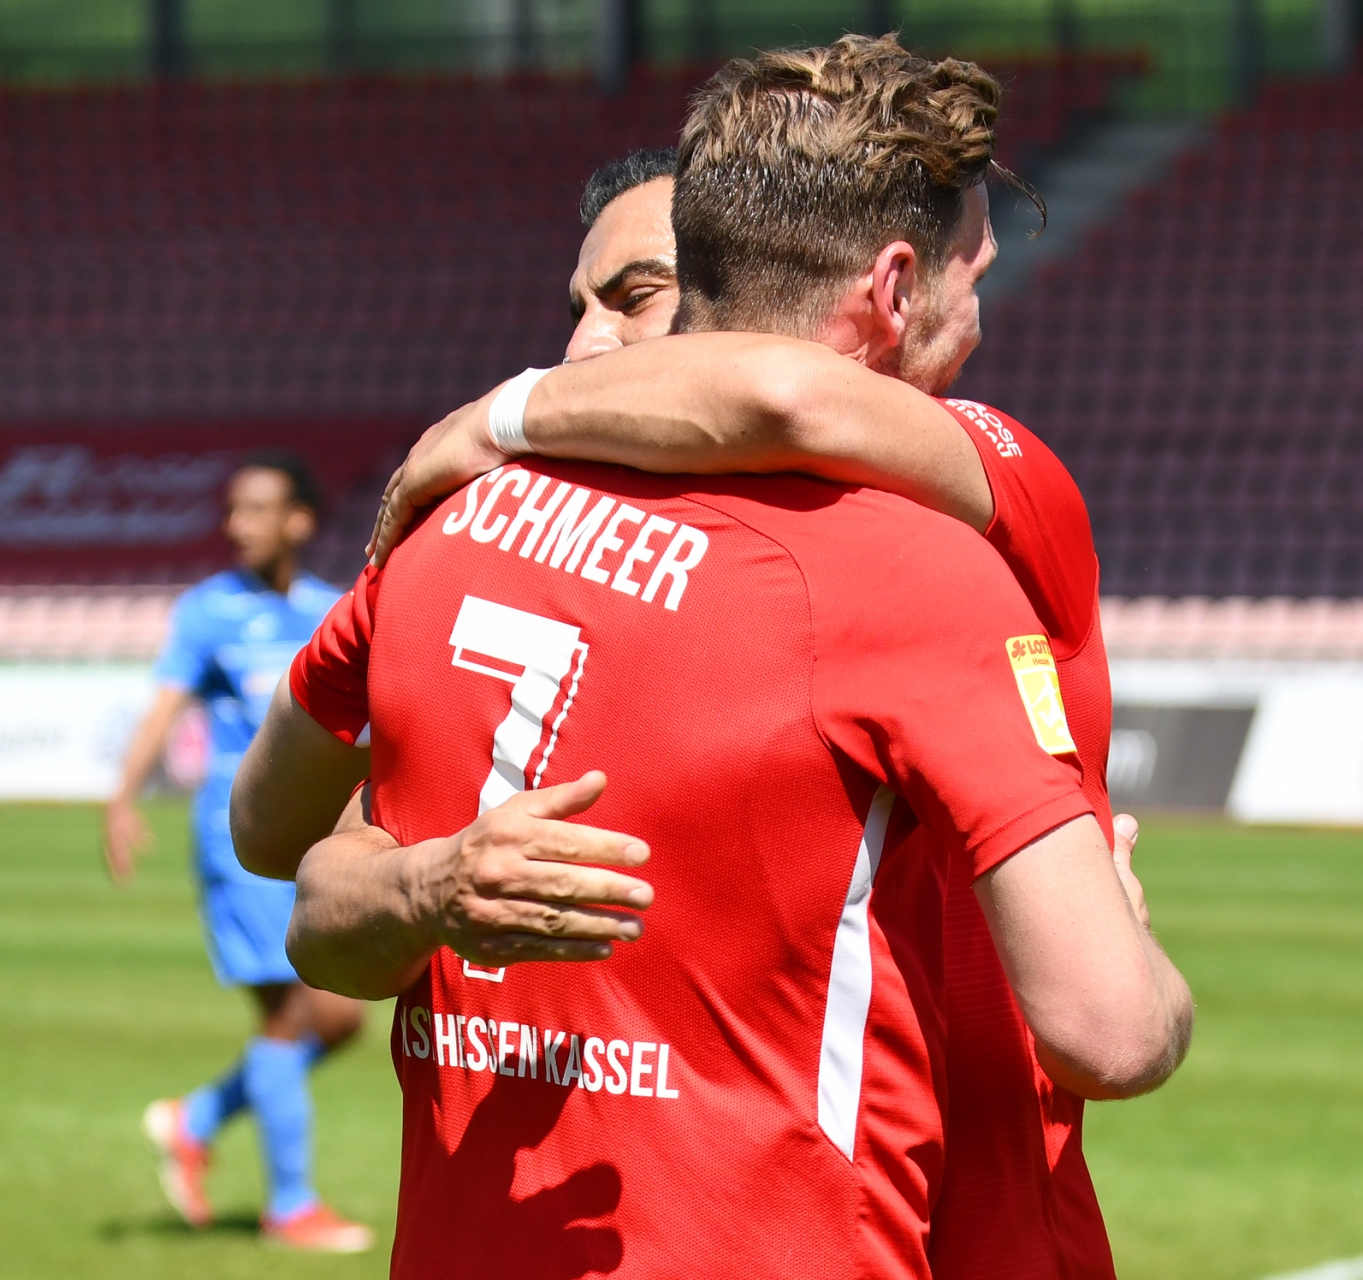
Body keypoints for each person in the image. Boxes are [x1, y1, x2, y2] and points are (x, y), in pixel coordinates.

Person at [232, 36, 1191, 1278]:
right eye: (974, 269)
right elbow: (1114, 1029)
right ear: (897, 286)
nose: (589, 346)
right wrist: (1125, 938)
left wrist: (497, 417)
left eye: (632, 297)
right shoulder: (921, 559)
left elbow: (293, 859)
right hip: (928, 1225)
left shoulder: (453, 527)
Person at [103, 450, 373, 1252]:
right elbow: (164, 706)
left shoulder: (329, 609)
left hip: (315, 829)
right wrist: (124, 797)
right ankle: (291, 1207)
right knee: (287, 1014)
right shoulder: (209, 611)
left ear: (300, 521)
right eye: (233, 510)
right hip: (237, 832)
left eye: (257, 509)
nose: (238, 524)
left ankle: (196, 1119)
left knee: (339, 1020)